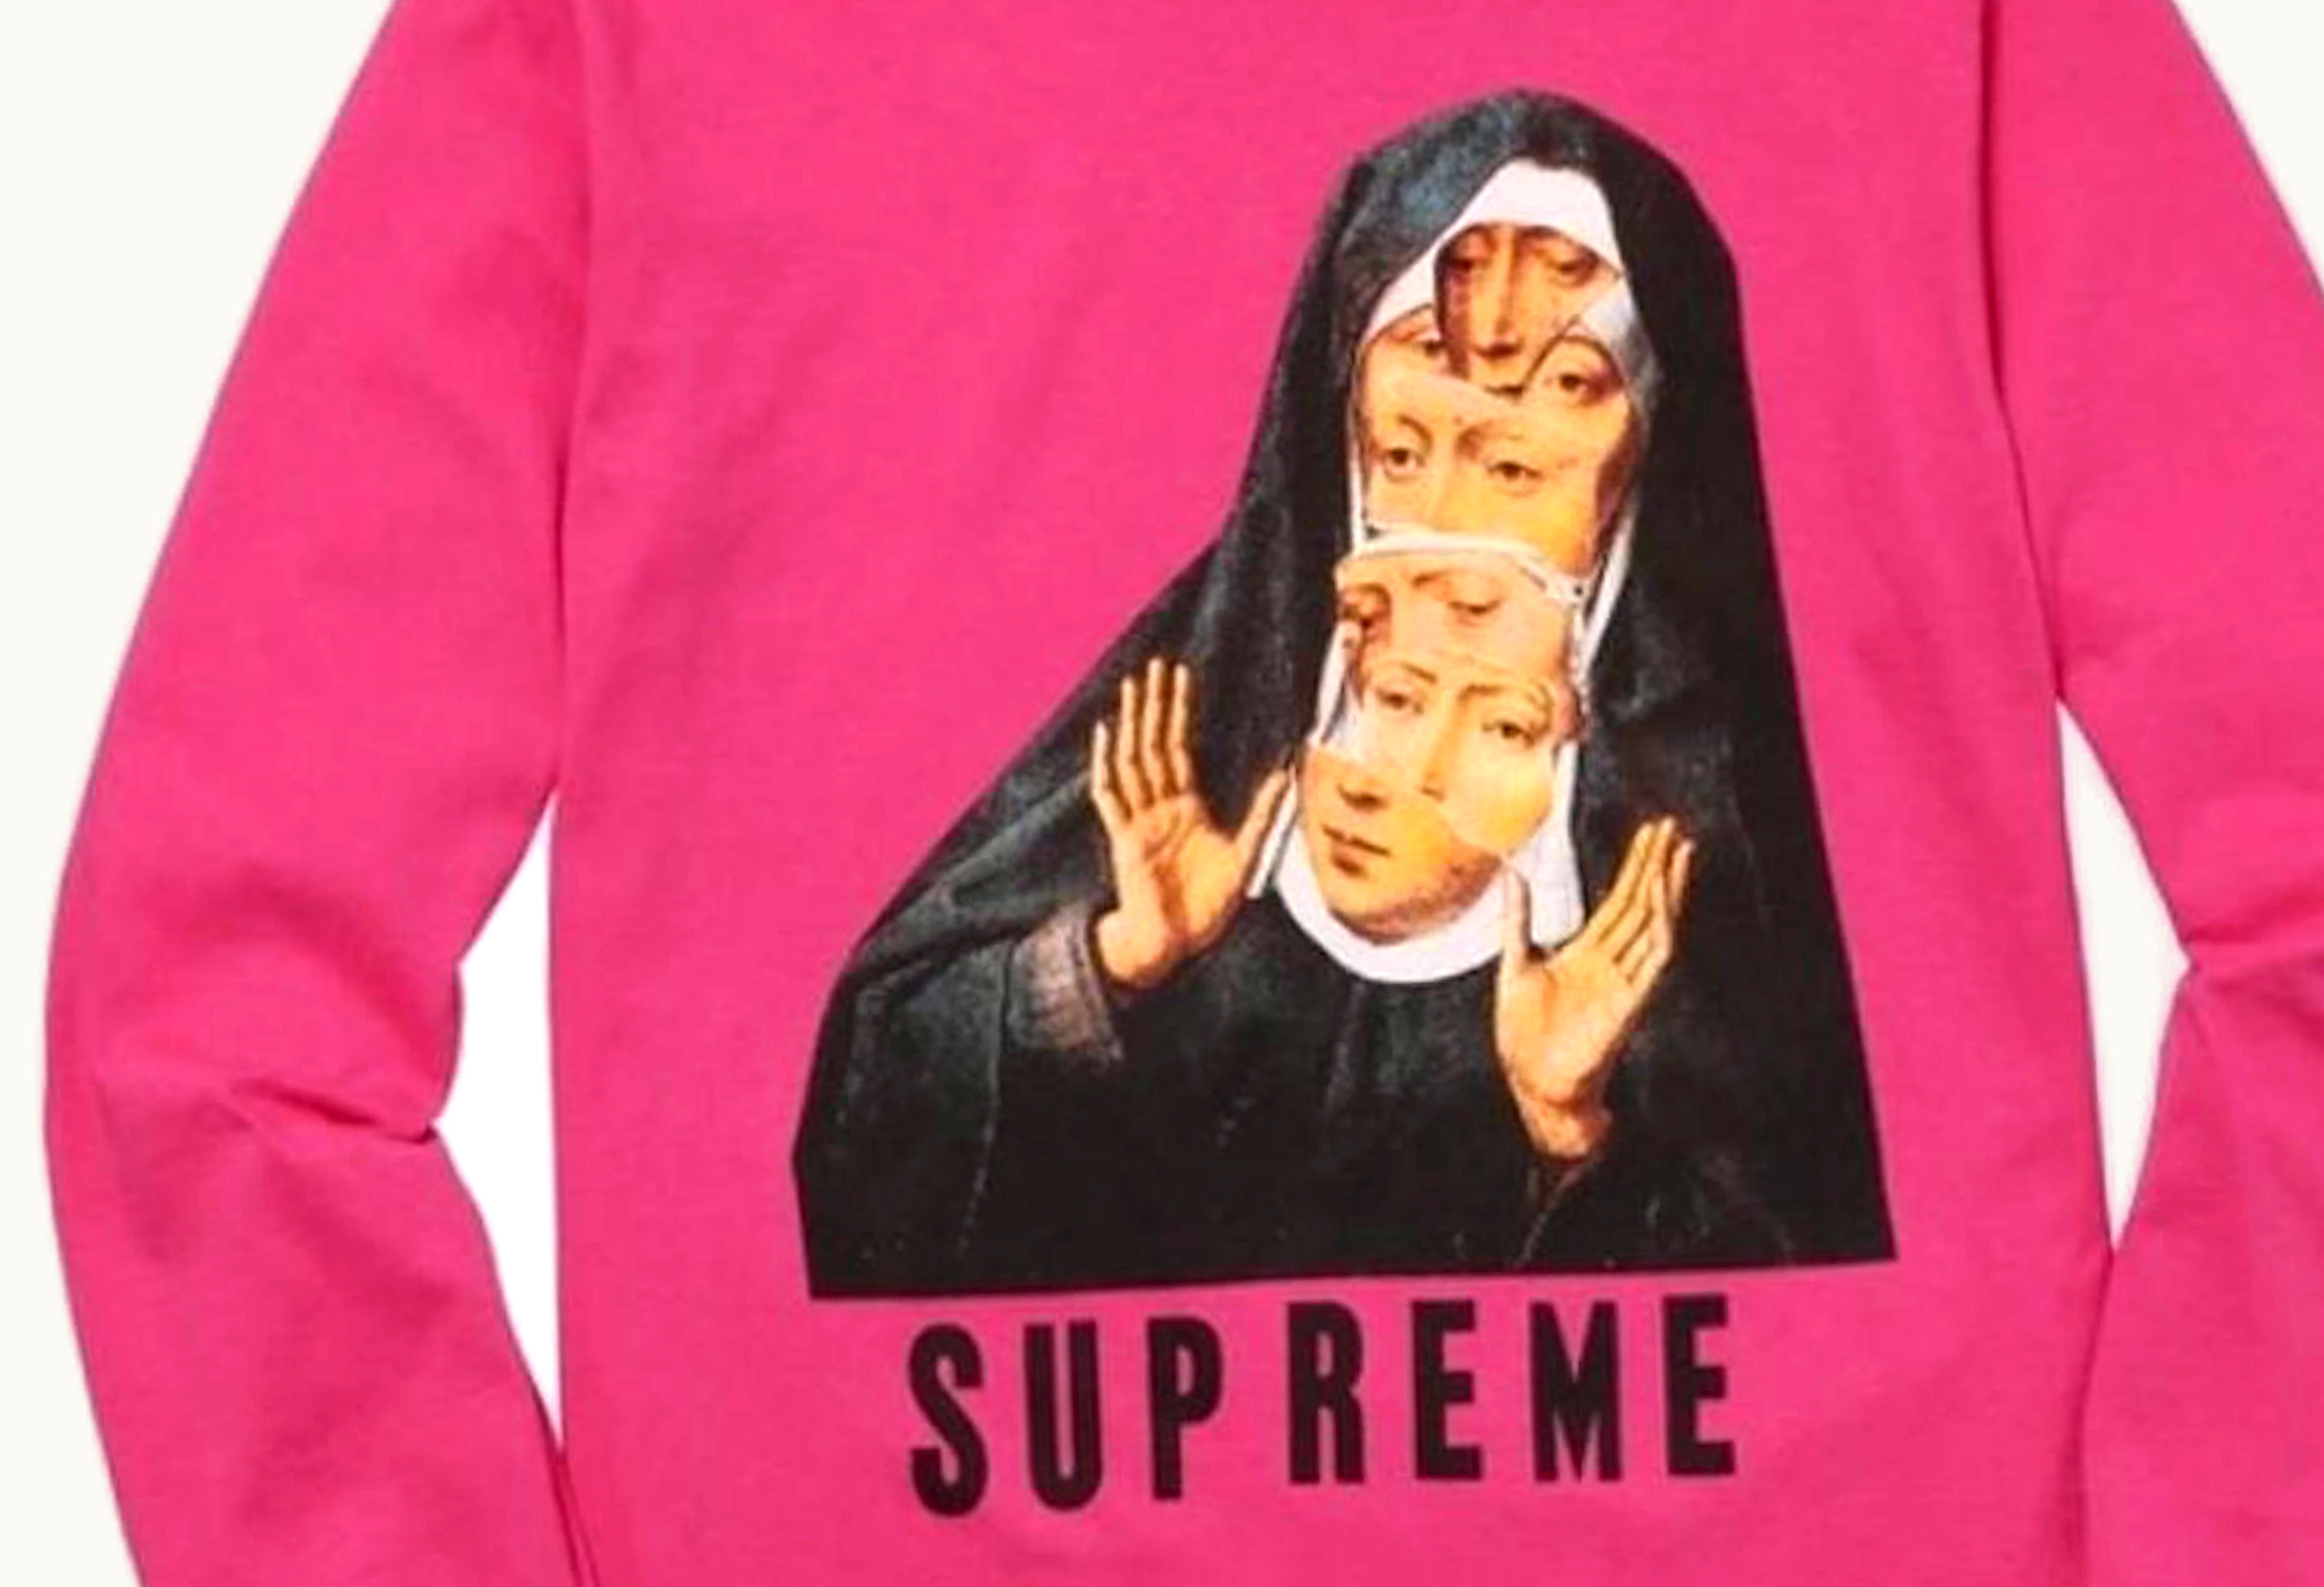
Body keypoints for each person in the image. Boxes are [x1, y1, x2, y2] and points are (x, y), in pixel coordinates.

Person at [791, 85, 1896, 1296]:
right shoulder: (1194, 739)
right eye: (1404, 455)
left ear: (1639, 474)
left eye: (1514, 470)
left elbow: (1803, 1293)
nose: (1443, 528)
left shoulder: (1709, 851)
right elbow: (865, 1113)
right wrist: (1104, 966)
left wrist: (1571, 1132)